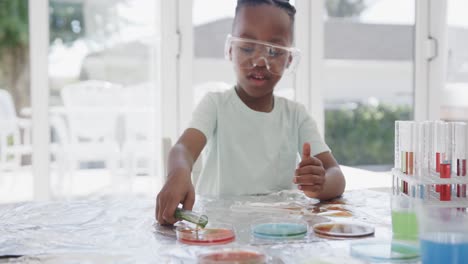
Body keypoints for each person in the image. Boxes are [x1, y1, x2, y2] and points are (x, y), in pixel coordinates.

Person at [156, 0, 345, 225]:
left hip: (279, 235)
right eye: (247, 47)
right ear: (230, 49)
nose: (259, 61)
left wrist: (321, 183)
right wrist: (177, 173)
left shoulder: (296, 116)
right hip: (221, 234)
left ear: (289, 60)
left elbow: (335, 174)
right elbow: (184, 148)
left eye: (274, 51)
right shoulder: (215, 105)